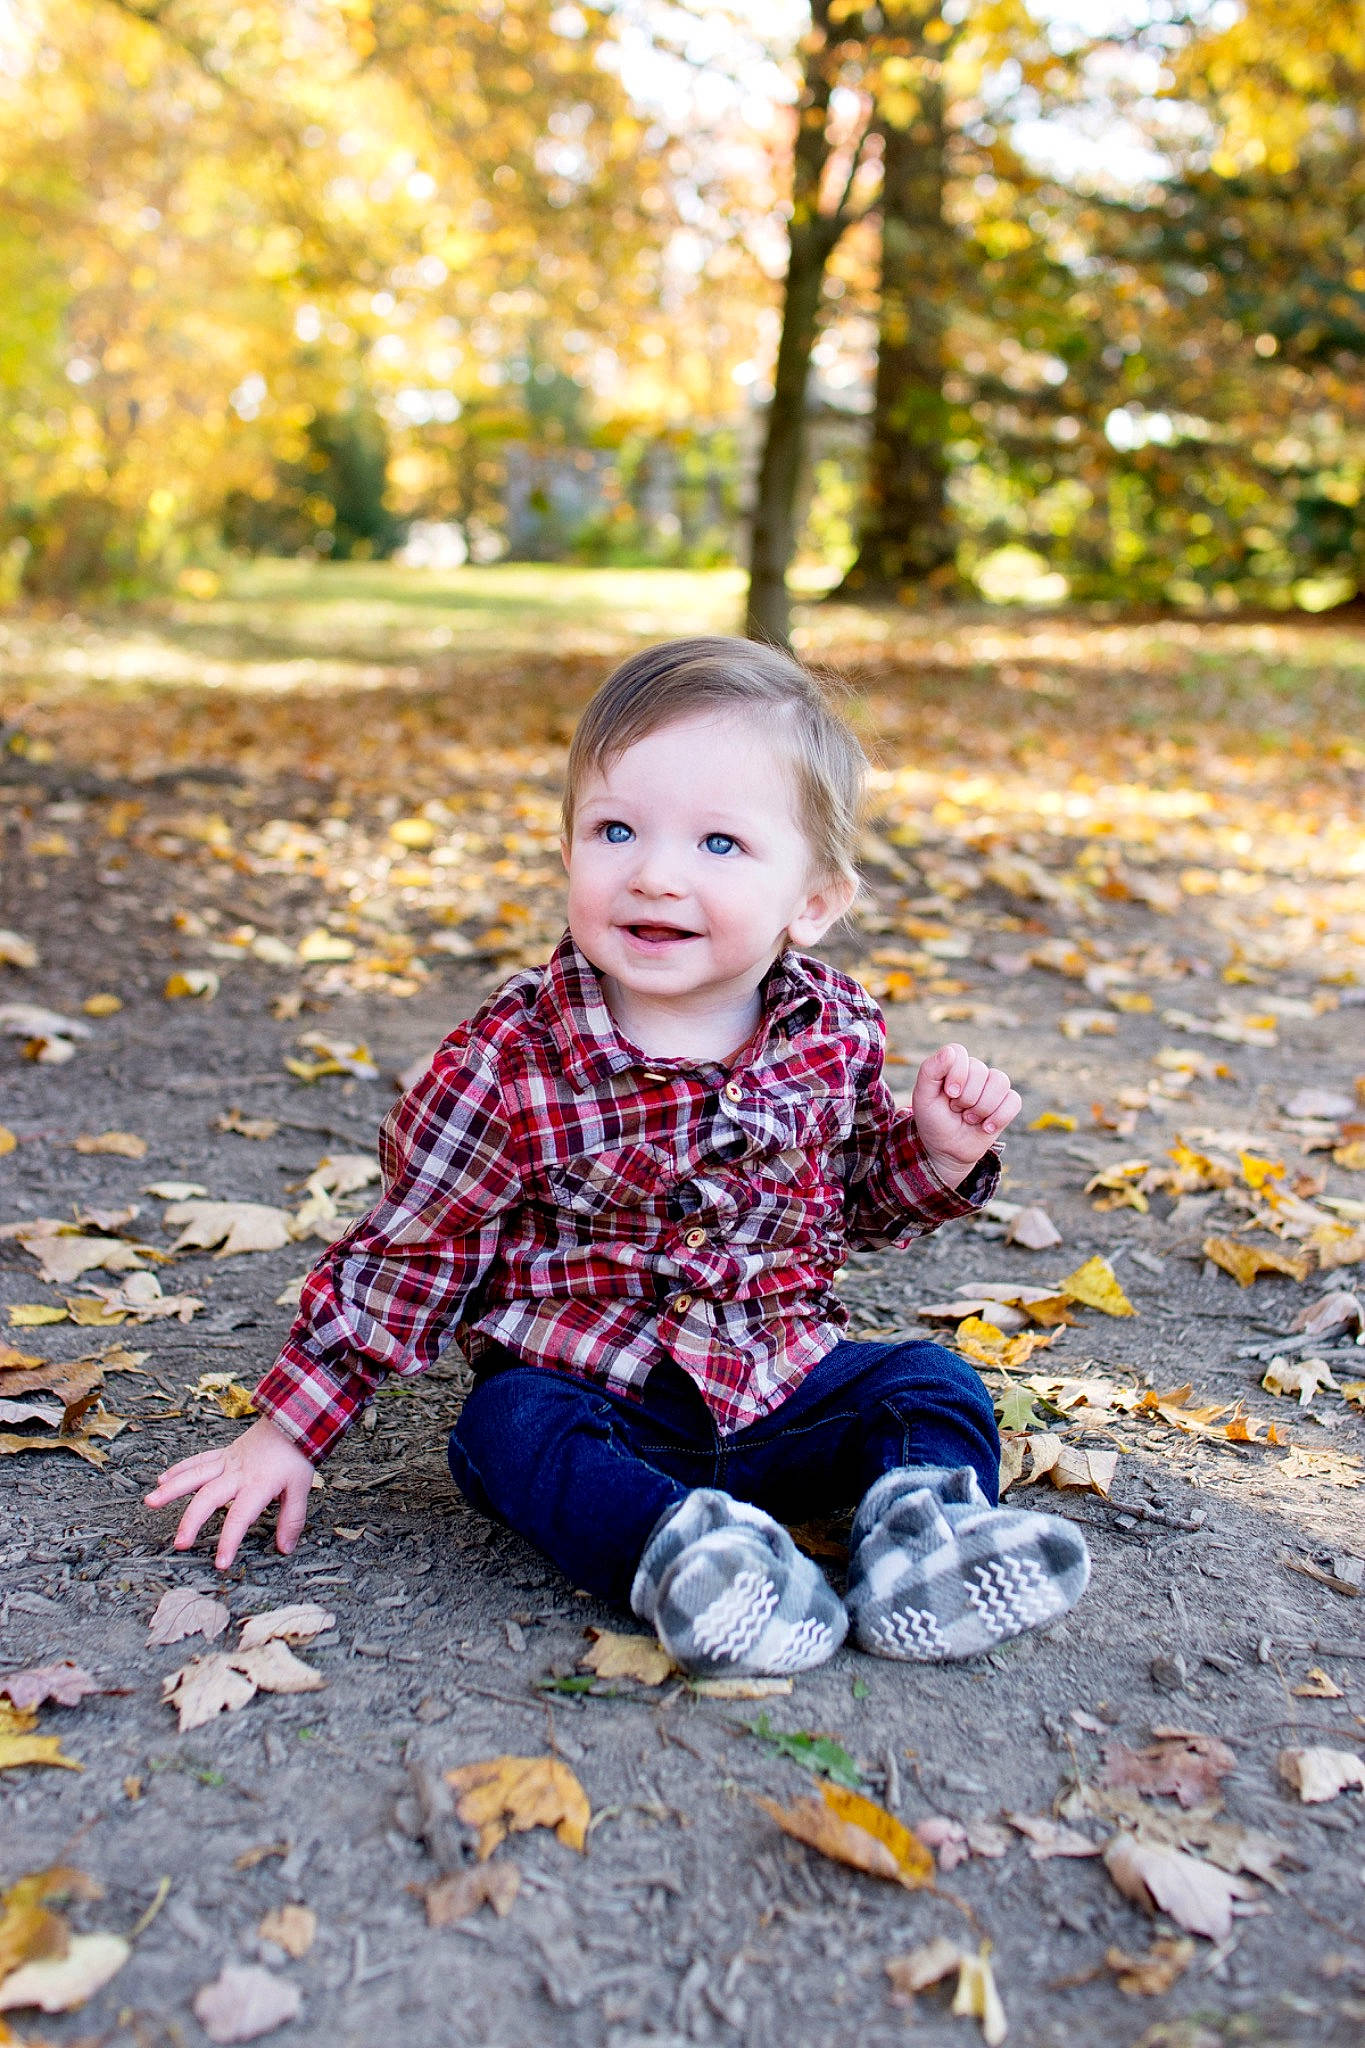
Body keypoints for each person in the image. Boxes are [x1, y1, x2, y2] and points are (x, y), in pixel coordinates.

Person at [146, 637, 1088, 1676]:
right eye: (616, 829)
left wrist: (935, 1154)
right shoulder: (511, 1059)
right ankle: (693, 1559)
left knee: (933, 1380)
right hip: (598, 1402)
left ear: (812, 900)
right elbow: (413, 1251)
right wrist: (289, 1429)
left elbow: (848, 1208)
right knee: (506, 1428)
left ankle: (927, 1543)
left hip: (780, 1389)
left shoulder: (835, 1030)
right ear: (568, 852)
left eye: (719, 843)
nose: (654, 873)